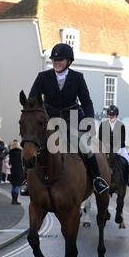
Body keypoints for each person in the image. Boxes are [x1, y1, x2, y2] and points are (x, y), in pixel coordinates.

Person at [27, 42, 109, 194]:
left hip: (72, 119)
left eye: (60, 60)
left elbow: (86, 102)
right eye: (54, 60)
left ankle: (97, 179)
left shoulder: (77, 77)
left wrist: (89, 121)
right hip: (49, 121)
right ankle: (27, 181)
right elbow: (32, 99)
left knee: (86, 147)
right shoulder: (43, 77)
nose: (56, 63)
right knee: (31, 146)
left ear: (69, 62)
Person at [98, 105, 129, 187]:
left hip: (118, 147)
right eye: (109, 115)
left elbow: (122, 140)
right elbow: (100, 138)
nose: (111, 117)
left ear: (116, 115)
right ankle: (96, 178)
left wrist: (115, 147)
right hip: (106, 147)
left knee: (128, 159)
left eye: (113, 115)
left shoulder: (121, 125)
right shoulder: (103, 125)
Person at [8, 140, 25, 205]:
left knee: (13, 185)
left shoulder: (11, 152)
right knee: (17, 185)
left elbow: (10, 162)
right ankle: (15, 200)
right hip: (19, 170)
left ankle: (13, 200)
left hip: (13, 170)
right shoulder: (21, 152)